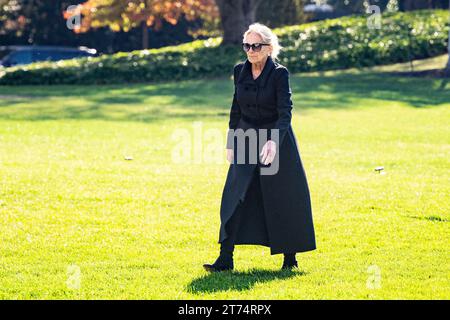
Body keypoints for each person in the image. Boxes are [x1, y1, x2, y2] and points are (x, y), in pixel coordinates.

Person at [203, 23, 316, 272]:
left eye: (256, 46)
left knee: (282, 196)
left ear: (269, 47)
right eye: (247, 46)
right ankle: (225, 258)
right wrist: (231, 140)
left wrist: (274, 143)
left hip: (275, 139)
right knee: (235, 195)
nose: (251, 50)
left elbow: (285, 113)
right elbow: (236, 108)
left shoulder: (279, 74)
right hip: (245, 135)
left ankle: (290, 259)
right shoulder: (239, 71)